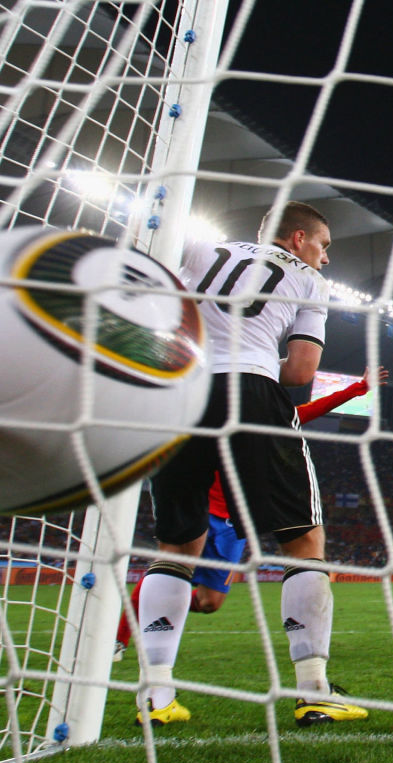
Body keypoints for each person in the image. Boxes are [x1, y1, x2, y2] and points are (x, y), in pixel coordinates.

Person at [136, 201, 368, 728]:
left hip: (181, 393)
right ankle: (313, 689)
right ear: (298, 239)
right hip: (254, 388)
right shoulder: (308, 279)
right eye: (324, 246)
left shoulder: (198, 248)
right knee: (303, 542)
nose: (326, 259)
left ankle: (156, 695)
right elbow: (301, 371)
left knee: (175, 547)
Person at [115, 369, 387, 661]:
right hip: (200, 510)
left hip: (232, 524)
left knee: (210, 602)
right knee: (172, 568)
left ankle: (159, 604)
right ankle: (120, 638)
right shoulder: (198, 420)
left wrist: (358, 388)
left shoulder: (264, 424)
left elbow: (308, 411)